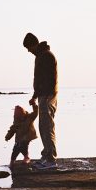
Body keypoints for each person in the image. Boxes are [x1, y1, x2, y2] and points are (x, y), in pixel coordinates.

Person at [23, 32, 58, 169]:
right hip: (44, 94)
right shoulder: (41, 56)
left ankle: (51, 159)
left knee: (47, 126)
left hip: (48, 95)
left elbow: (49, 79)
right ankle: (46, 155)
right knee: (43, 126)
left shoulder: (46, 56)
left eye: (29, 48)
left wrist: (43, 95)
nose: (28, 51)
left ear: (34, 44)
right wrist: (35, 96)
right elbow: (39, 79)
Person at [5, 103, 38, 169]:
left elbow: (36, 112)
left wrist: (34, 105)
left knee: (23, 145)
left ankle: (26, 157)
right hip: (19, 138)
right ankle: (12, 161)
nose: (20, 118)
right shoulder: (16, 121)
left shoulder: (29, 117)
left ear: (24, 113)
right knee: (15, 149)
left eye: (21, 116)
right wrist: (8, 136)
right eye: (18, 117)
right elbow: (12, 130)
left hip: (28, 136)